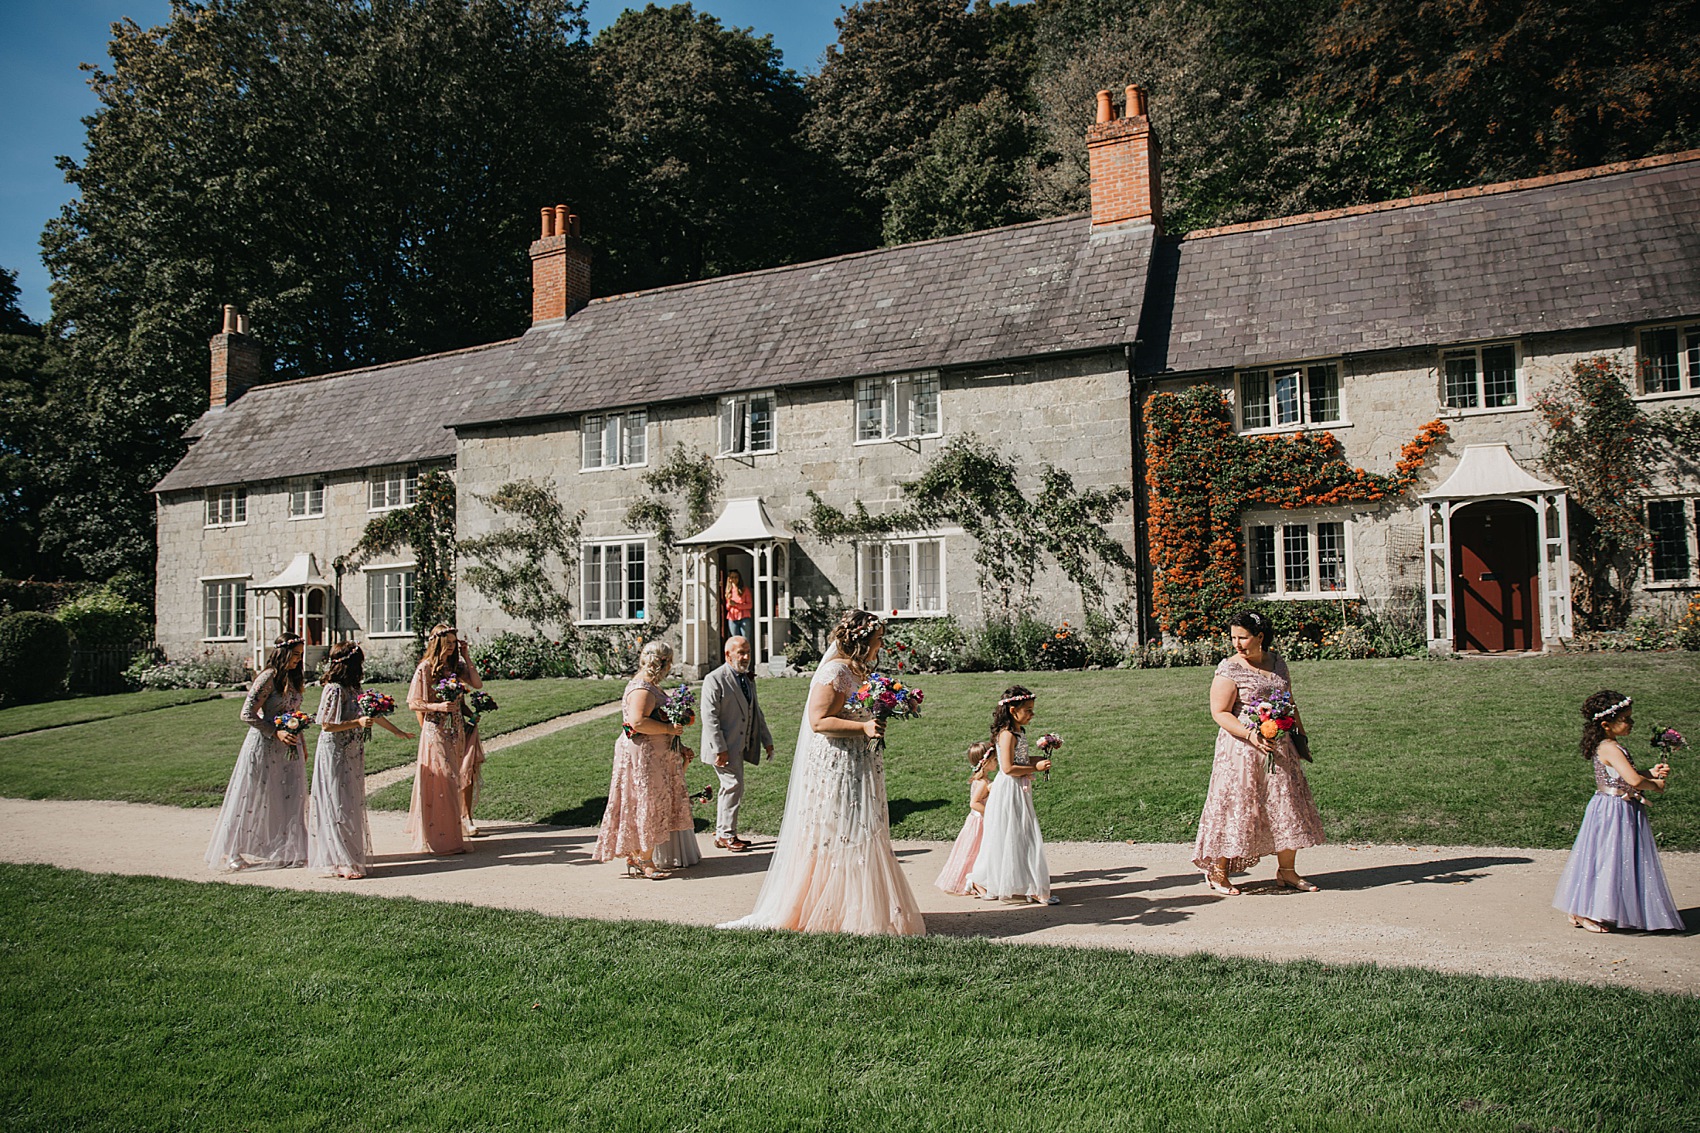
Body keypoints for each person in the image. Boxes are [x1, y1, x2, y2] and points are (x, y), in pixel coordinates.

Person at [720, 609, 926, 935]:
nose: (881, 644)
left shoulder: (858, 669)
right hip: (839, 763)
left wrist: (896, 703)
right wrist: (865, 727)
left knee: (864, 829)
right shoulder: (834, 671)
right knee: (844, 831)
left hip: (859, 760)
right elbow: (819, 721)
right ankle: (836, 911)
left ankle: (859, 909)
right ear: (860, 640)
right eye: (877, 639)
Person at [1192, 609, 1325, 895]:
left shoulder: (1277, 663)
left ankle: (1287, 872)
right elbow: (1219, 713)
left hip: (1279, 747)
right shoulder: (1229, 668)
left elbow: (1289, 701)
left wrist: (1300, 736)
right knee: (1236, 807)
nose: (1237, 643)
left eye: (1243, 637)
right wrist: (1251, 734)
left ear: (1260, 637)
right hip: (1240, 749)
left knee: (1285, 805)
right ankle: (1218, 872)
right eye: (1233, 638)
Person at [1552, 691, 1682, 933]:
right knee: (1606, 857)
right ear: (1606, 725)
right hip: (1614, 809)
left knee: (1610, 857)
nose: (1631, 723)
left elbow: (1622, 774)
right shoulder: (1610, 748)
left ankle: (1590, 908)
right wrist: (1656, 786)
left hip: (1615, 807)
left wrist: (1650, 772)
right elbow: (1632, 780)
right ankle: (1586, 911)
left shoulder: (1611, 746)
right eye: (1626, 719)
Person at [205, 634, 310, 871]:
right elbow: (247, 713)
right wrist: (275, 732)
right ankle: (232, 850)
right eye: (294, 655)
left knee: (288, 795)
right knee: (252, 796)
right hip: (264, 745)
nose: (297, 660)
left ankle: (288, 848)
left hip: (289, 746)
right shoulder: (268, 678)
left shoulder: (292, 679)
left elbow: (295, 713)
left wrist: (301, 742)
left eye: (300, 655)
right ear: (282, 654)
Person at [309, 641, 413, 879]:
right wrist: (356, 723)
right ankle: (340, 859)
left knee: (350, 802)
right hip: (335, 751)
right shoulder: (334, 689)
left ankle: (350, 855)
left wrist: (396, 731)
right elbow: (326, 725)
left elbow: (371, 715)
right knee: (337, 803)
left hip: (353, 751)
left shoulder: (355, 689)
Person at [592, 640, 696, 879]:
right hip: (644, 755)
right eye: (669, 662)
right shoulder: (643, 689)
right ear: (664, 663)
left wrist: (677, 745)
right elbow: (637, 723)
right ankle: (645, 861)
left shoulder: (649, 686)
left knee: (645, 801)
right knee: (647, 801)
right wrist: (670, 730)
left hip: (653, 752)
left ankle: (638, 855)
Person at [966, 687, 1057, 904]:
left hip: (1020, 788)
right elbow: (1007, 768)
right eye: (1028, 710)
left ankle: (1031, 884)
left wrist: (1040, 757)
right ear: (1013, 710)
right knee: (1011, 834)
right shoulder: (1006, 735)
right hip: (1009, 789)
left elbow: (1021, 759)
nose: (1032, 714)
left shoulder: (1018, 733)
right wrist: (1035, 769)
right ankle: (981, 880)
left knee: (1021, 834)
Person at [405, 624, 485, 854]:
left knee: (455, 778)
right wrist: (439, 706)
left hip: (456, 730)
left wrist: (466, 656)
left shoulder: (455, 667)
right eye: (448, 642)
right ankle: (440, 837)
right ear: (437, 643)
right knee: (446, 779)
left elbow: (477, 684)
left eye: (453, 642)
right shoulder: (425, 668)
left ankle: (451, 834)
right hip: (436, 729)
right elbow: (414, 703)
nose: (451, 646)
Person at [698, 635, 774, 853]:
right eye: (741, 652)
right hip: (722, 747)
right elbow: (709, 717)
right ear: (728, 655)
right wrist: (719, 749)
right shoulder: (714, 679)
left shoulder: (748, 679)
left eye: (748, 652)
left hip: (739, 745)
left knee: (730, 787)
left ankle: (723, 833)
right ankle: (727, 835)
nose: (746, 657)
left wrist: (766, 741)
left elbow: (756, 712)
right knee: (733, 786)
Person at [934, 741, 995, 895]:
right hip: (979, 822)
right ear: (985, 762)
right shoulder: (983, 783)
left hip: (975, 821)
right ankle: (975, 880)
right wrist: (991, 814)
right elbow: (974, 803)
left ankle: (976, 879)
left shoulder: (980, 780)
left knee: (976, 851)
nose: (997, 762)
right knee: (978, 850)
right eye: (994, 760)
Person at [723, 569, 753, 642]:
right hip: (732, 617)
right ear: (729, 579)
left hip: (744, 617)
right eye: (732, 577)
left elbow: (750, 605)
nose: (734, 579)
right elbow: (727, 607)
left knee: (745, 640)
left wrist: (737, 605)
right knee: (735, 640)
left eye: (736, 577)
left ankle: (746, 653)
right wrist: (729, 604)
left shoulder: (745, 590)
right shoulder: (728, 591)